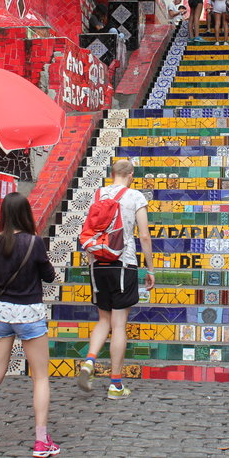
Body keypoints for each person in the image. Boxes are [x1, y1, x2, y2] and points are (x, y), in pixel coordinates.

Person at [0, 193, 58, 457]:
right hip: (30, 313)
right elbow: (49, 276)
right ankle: (41, 440)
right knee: (40, 377)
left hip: (1, 313)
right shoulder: (34, 243)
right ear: (25, 214)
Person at [76, 160, 155, 399]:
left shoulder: (98, 194)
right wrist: (150, 268)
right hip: (123, 262)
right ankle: (116, 384)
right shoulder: (135, 196)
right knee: (119, 324)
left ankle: (89, 361)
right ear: (130, 175)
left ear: (112, 174)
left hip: (97, 262)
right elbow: (143, 234)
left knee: (103, 320)